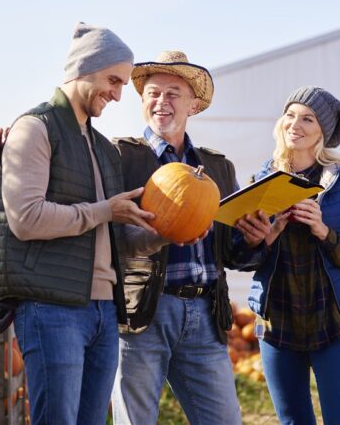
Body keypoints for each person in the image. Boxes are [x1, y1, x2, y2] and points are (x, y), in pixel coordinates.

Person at [0, 22, 178, 425]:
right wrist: (103, 211)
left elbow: (113, 239)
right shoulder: (35, 129)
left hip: (102, 313)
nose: (117, 93)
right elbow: (26, 219)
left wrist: (162, 235)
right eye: (113, 80)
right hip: (50, 307)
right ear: (82, 69)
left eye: (123, 84)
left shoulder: (103, 149)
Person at [111, 51, 269, 424]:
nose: (161, 102)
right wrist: (159, 233)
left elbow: (231, 252)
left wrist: (254, 240)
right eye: (153, 93)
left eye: (172, 94)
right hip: (142, 312)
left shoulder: (217, 166)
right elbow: (106, 237)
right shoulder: (120, 156)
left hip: (204, 312)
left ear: (193, 105)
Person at [234, 86, 340, 425]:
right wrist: (265, 240)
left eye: (307, 118)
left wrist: (324, 232)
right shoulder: (262, 181)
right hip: (277, 324)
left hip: (333, 323)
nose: (295, 124)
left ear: (322, 132)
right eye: (290, 115)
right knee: (293, 420)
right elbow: (241, 258)